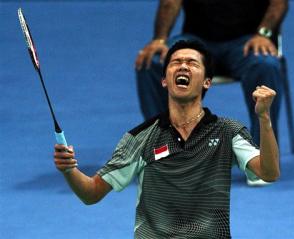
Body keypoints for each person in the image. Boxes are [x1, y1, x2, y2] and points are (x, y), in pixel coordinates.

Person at [54, 40, 280, 239]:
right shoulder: (140, 138)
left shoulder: (227, 132)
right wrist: (69, 169)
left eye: (192, 63)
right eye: (176, 62)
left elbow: (269, 173)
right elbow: (92, 193)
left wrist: (263, 118)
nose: (183, 66)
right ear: (164, 81)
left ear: (207, 82)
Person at [135, 0, 287, 186]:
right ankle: (163, 151)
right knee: (153, 62)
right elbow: (170, 2)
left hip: (248, 41)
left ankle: (262, 160)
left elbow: (279, 3)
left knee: (266, 65)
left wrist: (263, 34)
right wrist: (159, 39)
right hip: (196, 42)